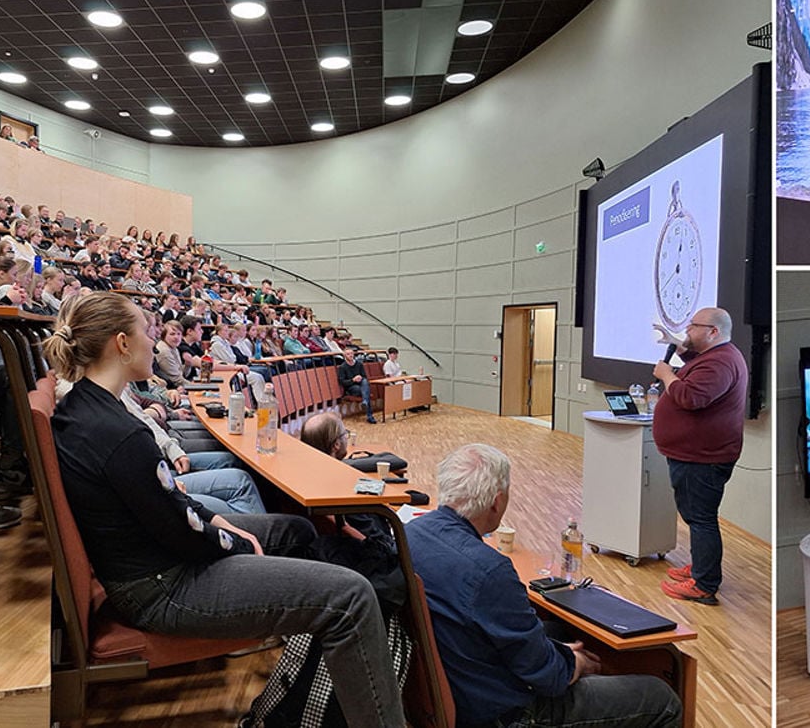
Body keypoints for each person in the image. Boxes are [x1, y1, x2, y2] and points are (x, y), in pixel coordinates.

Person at [44, 292, 406, 727]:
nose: (152, 338)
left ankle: (307, 663)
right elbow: (179, 532)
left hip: (151, 565)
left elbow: (166, 500)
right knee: (351, 597)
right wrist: (232, 542)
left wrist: (215, 519)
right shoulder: (118, 432)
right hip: (163, 586)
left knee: (296, 531)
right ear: (121, 343)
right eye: (144, 329)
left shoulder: (84, 407)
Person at [406, 443, 682, 727]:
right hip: (506, 712)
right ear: (497, 501)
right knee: (662, 699)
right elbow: (549, 676)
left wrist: (556, 651)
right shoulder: (490, 570)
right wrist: (577, 663)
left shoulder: (409, 535)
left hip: (454, 694)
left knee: (554, 630)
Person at [650, 308, 748, 604]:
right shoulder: (717, 357)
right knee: (696, 516)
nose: (688, 330)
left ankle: (704, 585)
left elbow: (691, 397)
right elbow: (698, 372)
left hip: (702, 457)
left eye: (694, 326)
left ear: (713, 332)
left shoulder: (720, 362)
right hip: (697, 454)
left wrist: (667, 374)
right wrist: (682, 351)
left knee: (701, 519)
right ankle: (701, 568)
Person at [338, 347, 377, 424]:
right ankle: (370, 416)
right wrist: (353, 380)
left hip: (361, 384)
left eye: (351, 353)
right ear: (345, 356)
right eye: (348, 354)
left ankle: (365, 402)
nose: (350, 355)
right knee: (366, 391)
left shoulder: (359, 364)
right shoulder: (342, 367)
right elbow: (342, 382)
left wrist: (360, 378)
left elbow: (364, 376)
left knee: (365, 382)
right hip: (351, 387)